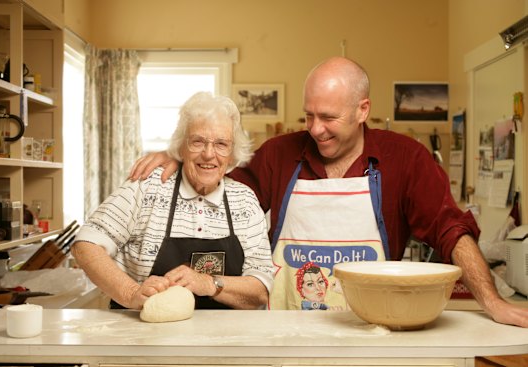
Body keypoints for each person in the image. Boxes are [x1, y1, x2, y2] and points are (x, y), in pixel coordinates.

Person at [129, 57, 528, 327]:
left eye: (329, 117)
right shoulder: (279, 154)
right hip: (282, 327)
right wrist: (185, 154)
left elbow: (450, 230)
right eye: (309, 115)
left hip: (370, 329)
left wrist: (491, 301)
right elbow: (218, 190)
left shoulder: (405, 159)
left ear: (362, 109)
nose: (315, 129)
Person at [72, 91, 274, 310]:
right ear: (181, 147)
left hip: (221, 340)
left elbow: (260, 290)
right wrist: (131, 294)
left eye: (221, 144)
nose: (208, 154)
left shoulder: (244, 201)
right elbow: (86, 245)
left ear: (232, 153)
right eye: (197, 142)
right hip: (142, 337)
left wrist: (209, 283)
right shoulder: (147, 186)